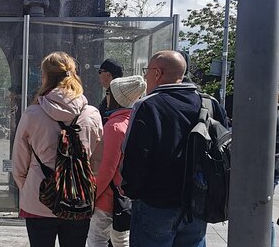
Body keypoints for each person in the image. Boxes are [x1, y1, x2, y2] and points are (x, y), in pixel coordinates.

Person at [122, 50, 228, 247]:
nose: (145, 77)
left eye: (147, 71)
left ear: (157, 73)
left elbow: (134, 158)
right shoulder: (209, 103)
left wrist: (133, 192)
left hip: (156, 204)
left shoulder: (147, 106)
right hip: (198, 204)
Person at [12, 51, 103, 247]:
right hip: (78, 198)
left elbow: (19, 164)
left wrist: (30, 189)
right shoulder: (92, 114)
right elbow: (96, 162)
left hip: (40, 197)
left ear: (45, 76)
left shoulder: (32, 113)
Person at [87, 75, 146, 247]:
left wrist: (93, 195)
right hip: (125, 196)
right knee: (121, 240)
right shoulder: (134, 122)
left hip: (107, 197)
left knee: (97, 240)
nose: (106, 97)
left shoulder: (114, 126)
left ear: (115, 98)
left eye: (108, 93)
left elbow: (107, 168)